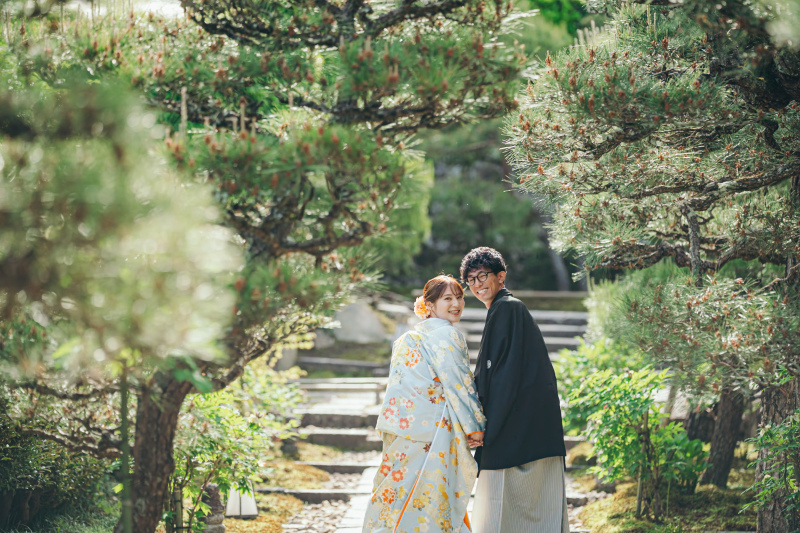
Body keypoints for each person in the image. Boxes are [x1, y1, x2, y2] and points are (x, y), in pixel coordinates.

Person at [363, 275, 486, 533]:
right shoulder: (448, 334)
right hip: (434, 430)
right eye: (447, 298)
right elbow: (459, 385)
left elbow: (398, 386)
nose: (457, 304)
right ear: (429, 305)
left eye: (460, 297)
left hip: (404, 428)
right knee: (433, 495)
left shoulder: (408, 338)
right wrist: (474, 425)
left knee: (398, 490)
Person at [460, 247, 568, 533]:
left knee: (503, 503)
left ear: (501, 276)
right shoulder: (504, 309)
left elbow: (502, 376)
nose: (478, 284)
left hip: (514, 422)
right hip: (524, 421)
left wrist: (488, 426)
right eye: (471, 280)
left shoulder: (507, 308)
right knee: (523, 507)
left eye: (483, 275)